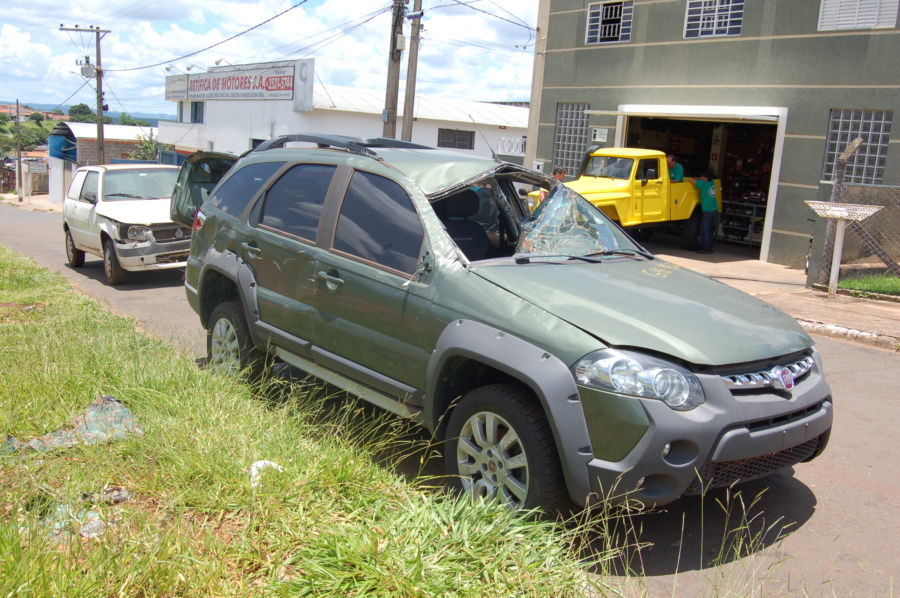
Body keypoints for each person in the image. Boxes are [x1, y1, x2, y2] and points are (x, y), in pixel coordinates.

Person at [693, 169, 719, 253]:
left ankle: (706, 249)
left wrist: (697, 178)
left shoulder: (702, 184)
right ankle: (710, 247)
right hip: (714, 210)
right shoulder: (712, 183)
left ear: (705, 178)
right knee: (710, 230)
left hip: (707, 211)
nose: (700, 178)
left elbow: (691, 180)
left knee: (705, 230)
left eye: (702, 176)